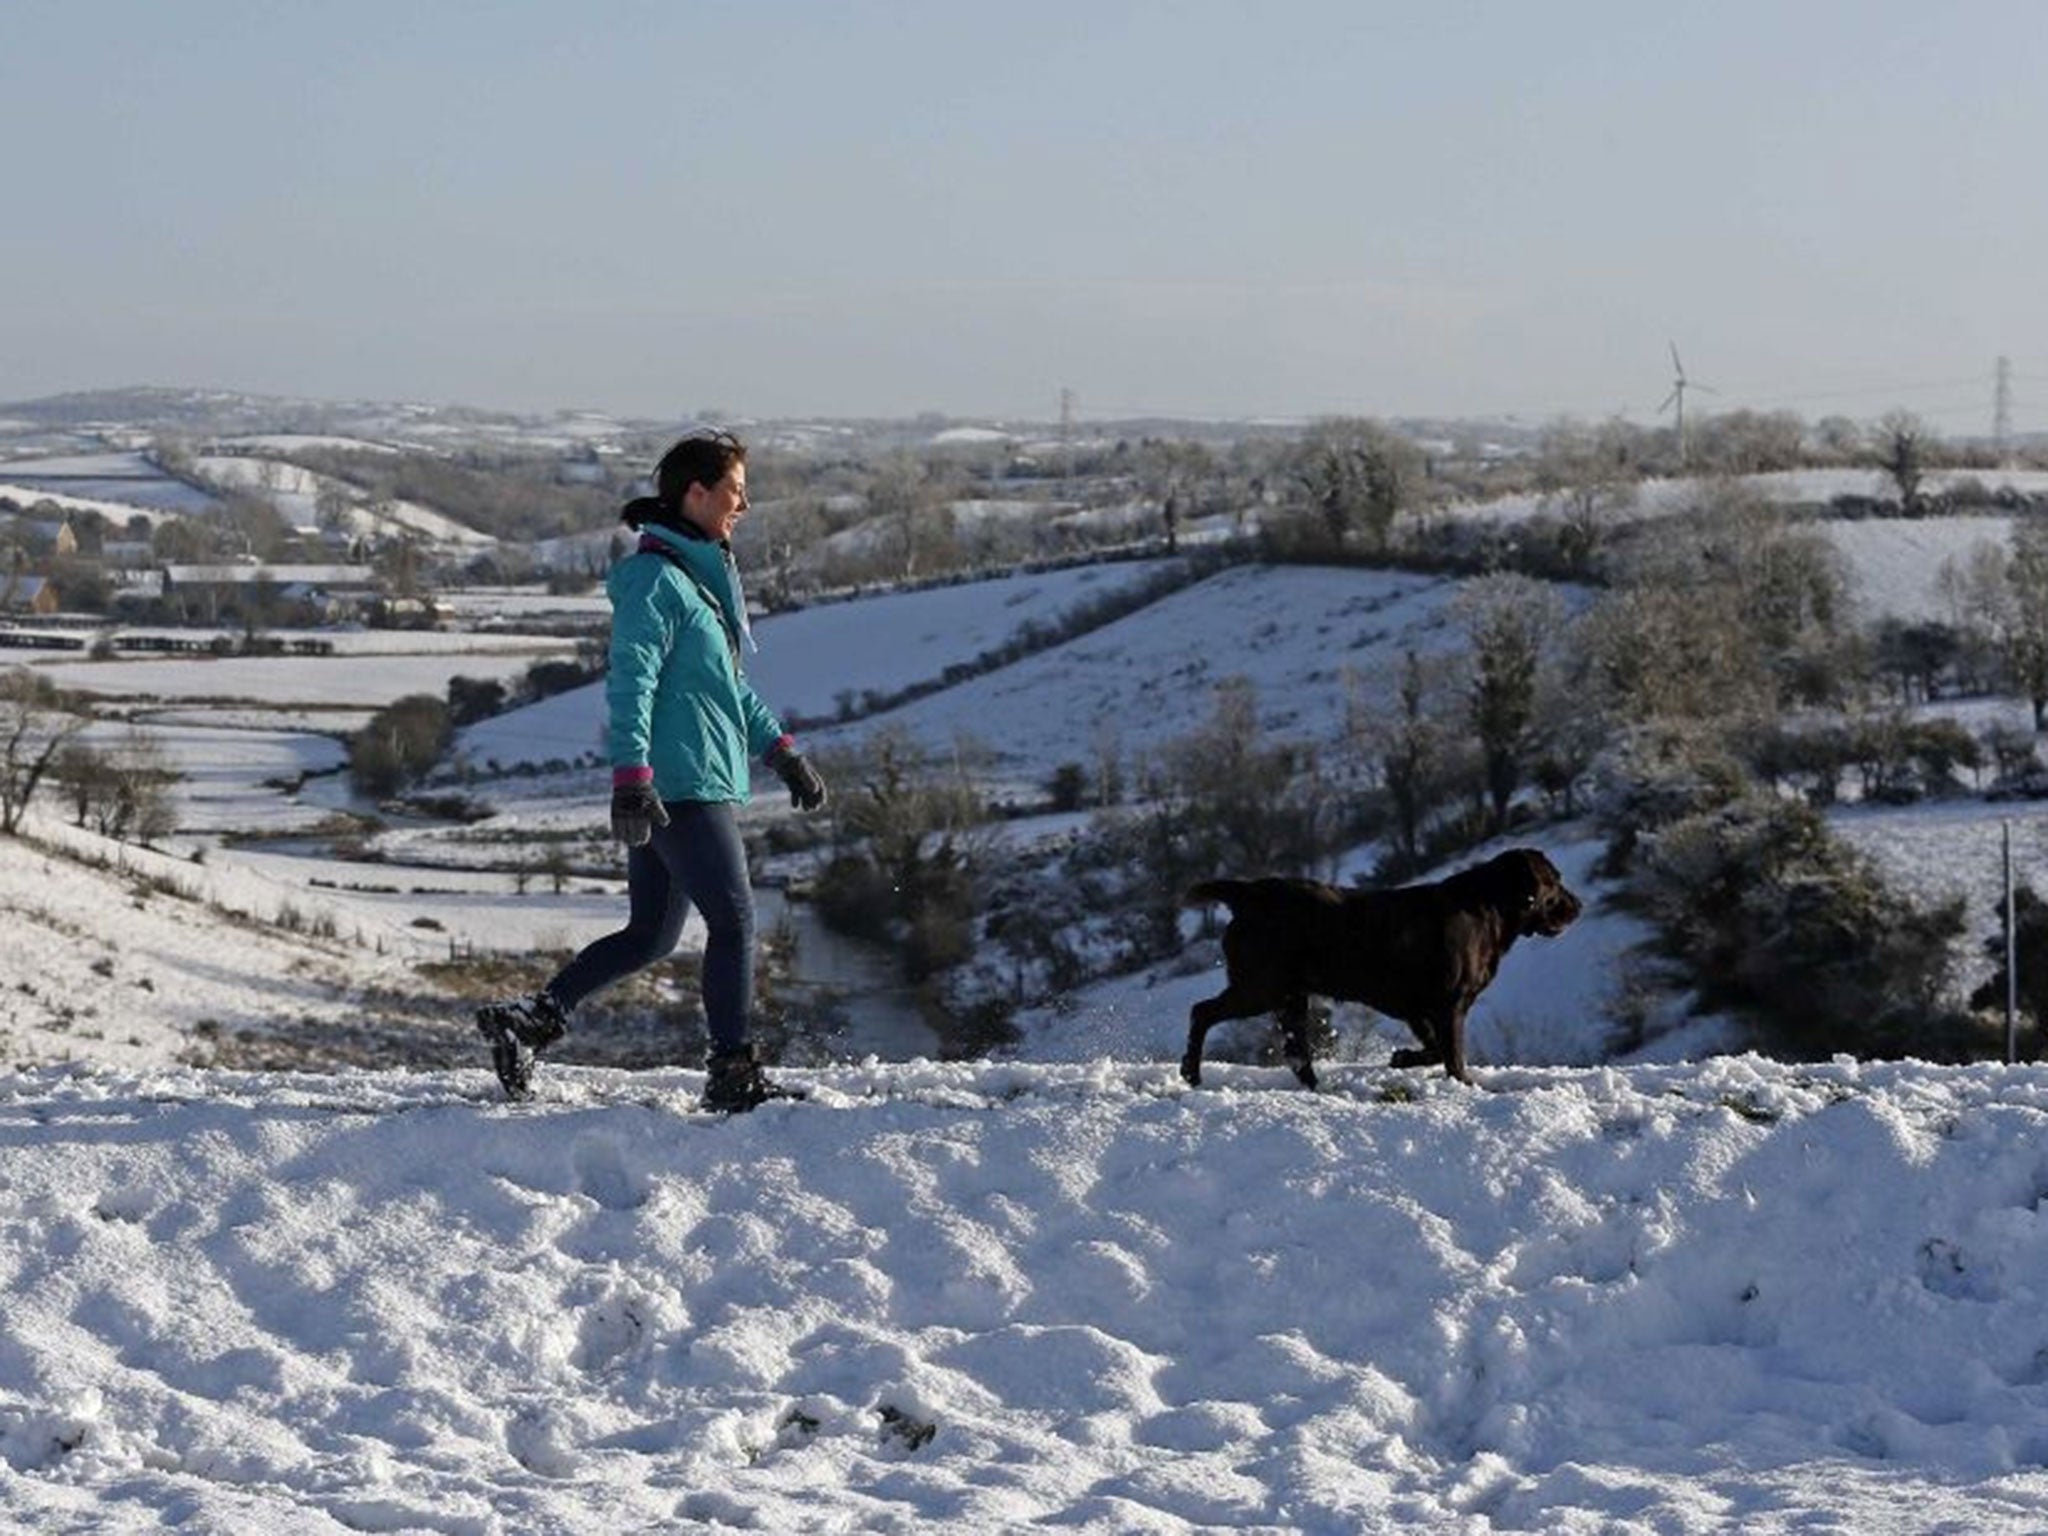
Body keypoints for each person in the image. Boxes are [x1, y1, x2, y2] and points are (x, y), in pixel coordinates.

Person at [476, 429, 829, 1111]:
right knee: (734, 923)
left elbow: (727, 688)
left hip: (691, 776)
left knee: (650, 935)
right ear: (695, 493)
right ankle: (732, 1073)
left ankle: (528, 1021)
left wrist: (782, 752)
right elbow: (629, 682)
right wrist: (631, 779)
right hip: (678, 784)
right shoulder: (656, 581)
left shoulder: (695, 581)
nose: (743, 507)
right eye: (734, 492)